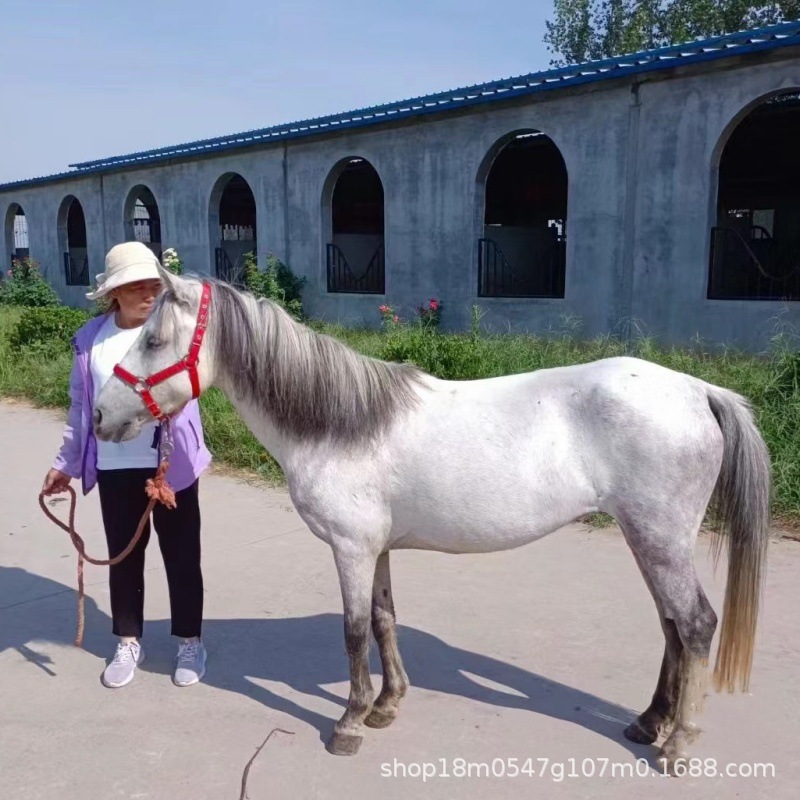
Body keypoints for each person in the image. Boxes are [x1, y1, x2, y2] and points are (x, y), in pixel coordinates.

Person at [41, 242, 212, 689]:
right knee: (124, 558)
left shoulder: (174, 332)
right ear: (114, 293)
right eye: (136, 287)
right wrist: (66, 463)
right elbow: (81, 408)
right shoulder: (91, 340)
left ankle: (189, 641)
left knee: (182, 557)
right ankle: (128, 640)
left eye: (155, 285)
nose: (149, 295)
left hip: (172, 467)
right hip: (115, 468)